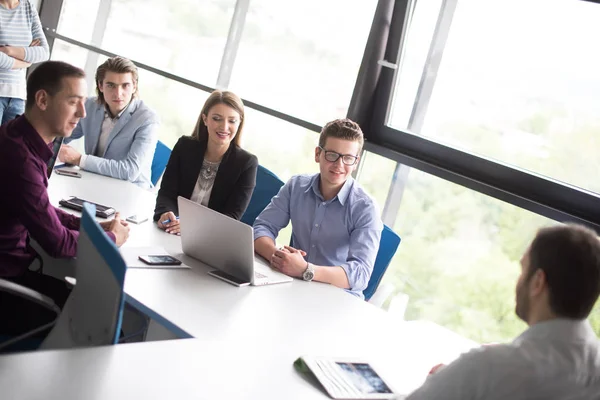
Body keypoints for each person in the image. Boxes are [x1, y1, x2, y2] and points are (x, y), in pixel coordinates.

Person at [0, 61, 130, 343]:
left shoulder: (17, 136)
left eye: (84, 103)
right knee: (105, 328)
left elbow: (40, 209)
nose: (82, 113)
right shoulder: (21, 160)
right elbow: (57, 243)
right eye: (73, 102)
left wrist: (93, 226)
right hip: (7, 286)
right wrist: (110, 238)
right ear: (43, 100)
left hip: (12, 275)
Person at [406, 224, 600, 400]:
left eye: (523, 269)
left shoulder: (488, 368)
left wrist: (459, 378)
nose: (518, 282)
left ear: (537, 282)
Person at [253, 118, 383, 298]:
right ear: (317, 154)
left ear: (356, 162)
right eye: (332, 155)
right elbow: (262, 227)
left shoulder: (365, 208)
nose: (339, 165)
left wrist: (306, 270)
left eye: (348, 158)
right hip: (293, 288)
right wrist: (279, 258)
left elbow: (360, 274)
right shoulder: (296, 186)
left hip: (337, 299)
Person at [153, 90, 258, 234]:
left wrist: (191, 226)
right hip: (172, 231)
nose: (224, 127)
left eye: (232, 121)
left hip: (209, 240)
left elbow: (231, 217)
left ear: (239, 123)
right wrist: (165, 213)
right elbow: (167, 193)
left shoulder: (247, 163)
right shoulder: (184, 146)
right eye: (217, 118)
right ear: (205, 119)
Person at [58, 56, 159, 189]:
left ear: (134, 86)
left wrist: (78, 159)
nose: (118, 93)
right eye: (111, 85)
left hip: (129, 190)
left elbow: (129, 171)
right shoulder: (89, 106)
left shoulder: (147, 119)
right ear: (100, 86)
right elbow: (61, 136)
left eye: (125, 85)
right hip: (93, 182)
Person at [0, 0, 49, 124]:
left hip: (18, 97)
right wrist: (25, 61)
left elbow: (44, 52)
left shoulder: (28, 7)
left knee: (12, 143)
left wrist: (9, 50)